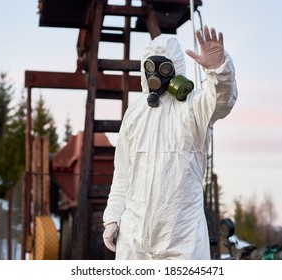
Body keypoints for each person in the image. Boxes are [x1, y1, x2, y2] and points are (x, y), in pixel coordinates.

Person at [102, 25, 238, 260]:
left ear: (176, 69)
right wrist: (113, 217)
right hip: (134, 239)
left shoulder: (194, 106)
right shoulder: (134, 113)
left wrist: (219, 70)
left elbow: (222, 102)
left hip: (182, 240)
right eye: (150, 67)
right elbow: (123, 172)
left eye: (164, 67)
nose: (156, 74)